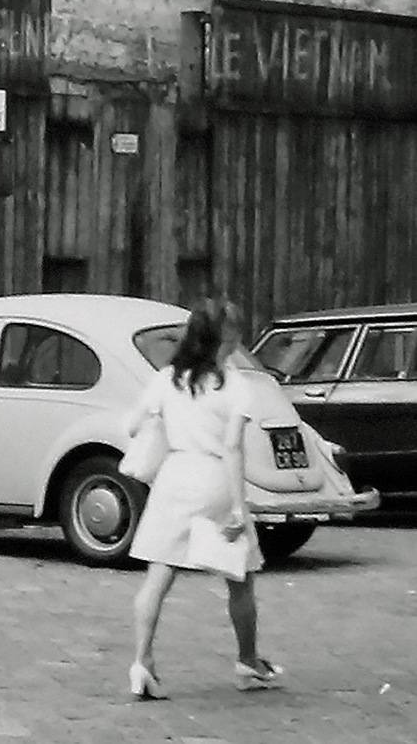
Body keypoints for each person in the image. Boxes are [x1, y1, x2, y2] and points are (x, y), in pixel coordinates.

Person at [125, 297, 283, 698]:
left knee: (157, 579)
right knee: (240, 579)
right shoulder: (236, 386)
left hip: (174, 478)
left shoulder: (167, 378)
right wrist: (238, 506)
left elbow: (131, 425)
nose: (237, 342)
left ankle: (142, 663)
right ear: (221, 340)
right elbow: (233, 449)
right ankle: (248, 661)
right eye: (233, 336)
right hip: (214, 480)